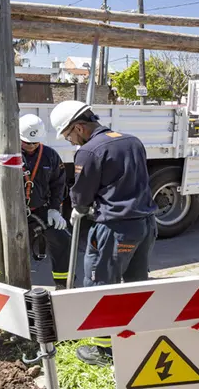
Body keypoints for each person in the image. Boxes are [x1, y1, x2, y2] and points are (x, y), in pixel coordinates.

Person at [49, 100, 157, 366]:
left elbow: (83, 192)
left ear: (79, 127)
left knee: (99, 284)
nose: (71, 141)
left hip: (115, 227)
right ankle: (135, 336)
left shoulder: (89, 151)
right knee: (136, 282)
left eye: (68, 135)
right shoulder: (131, 141)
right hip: (145, 223)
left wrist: (78, 208)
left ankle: (104, 350)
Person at [19, 114, 71, 289]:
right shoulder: (10, 154)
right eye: (27, 143)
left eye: (35, 143)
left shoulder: (49, 156)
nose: (31, 146)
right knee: (13, 246)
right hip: (13, 211)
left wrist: (54, 209)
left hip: (40, 209)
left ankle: (63, 284)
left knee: (62, 239)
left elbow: (58, 184)